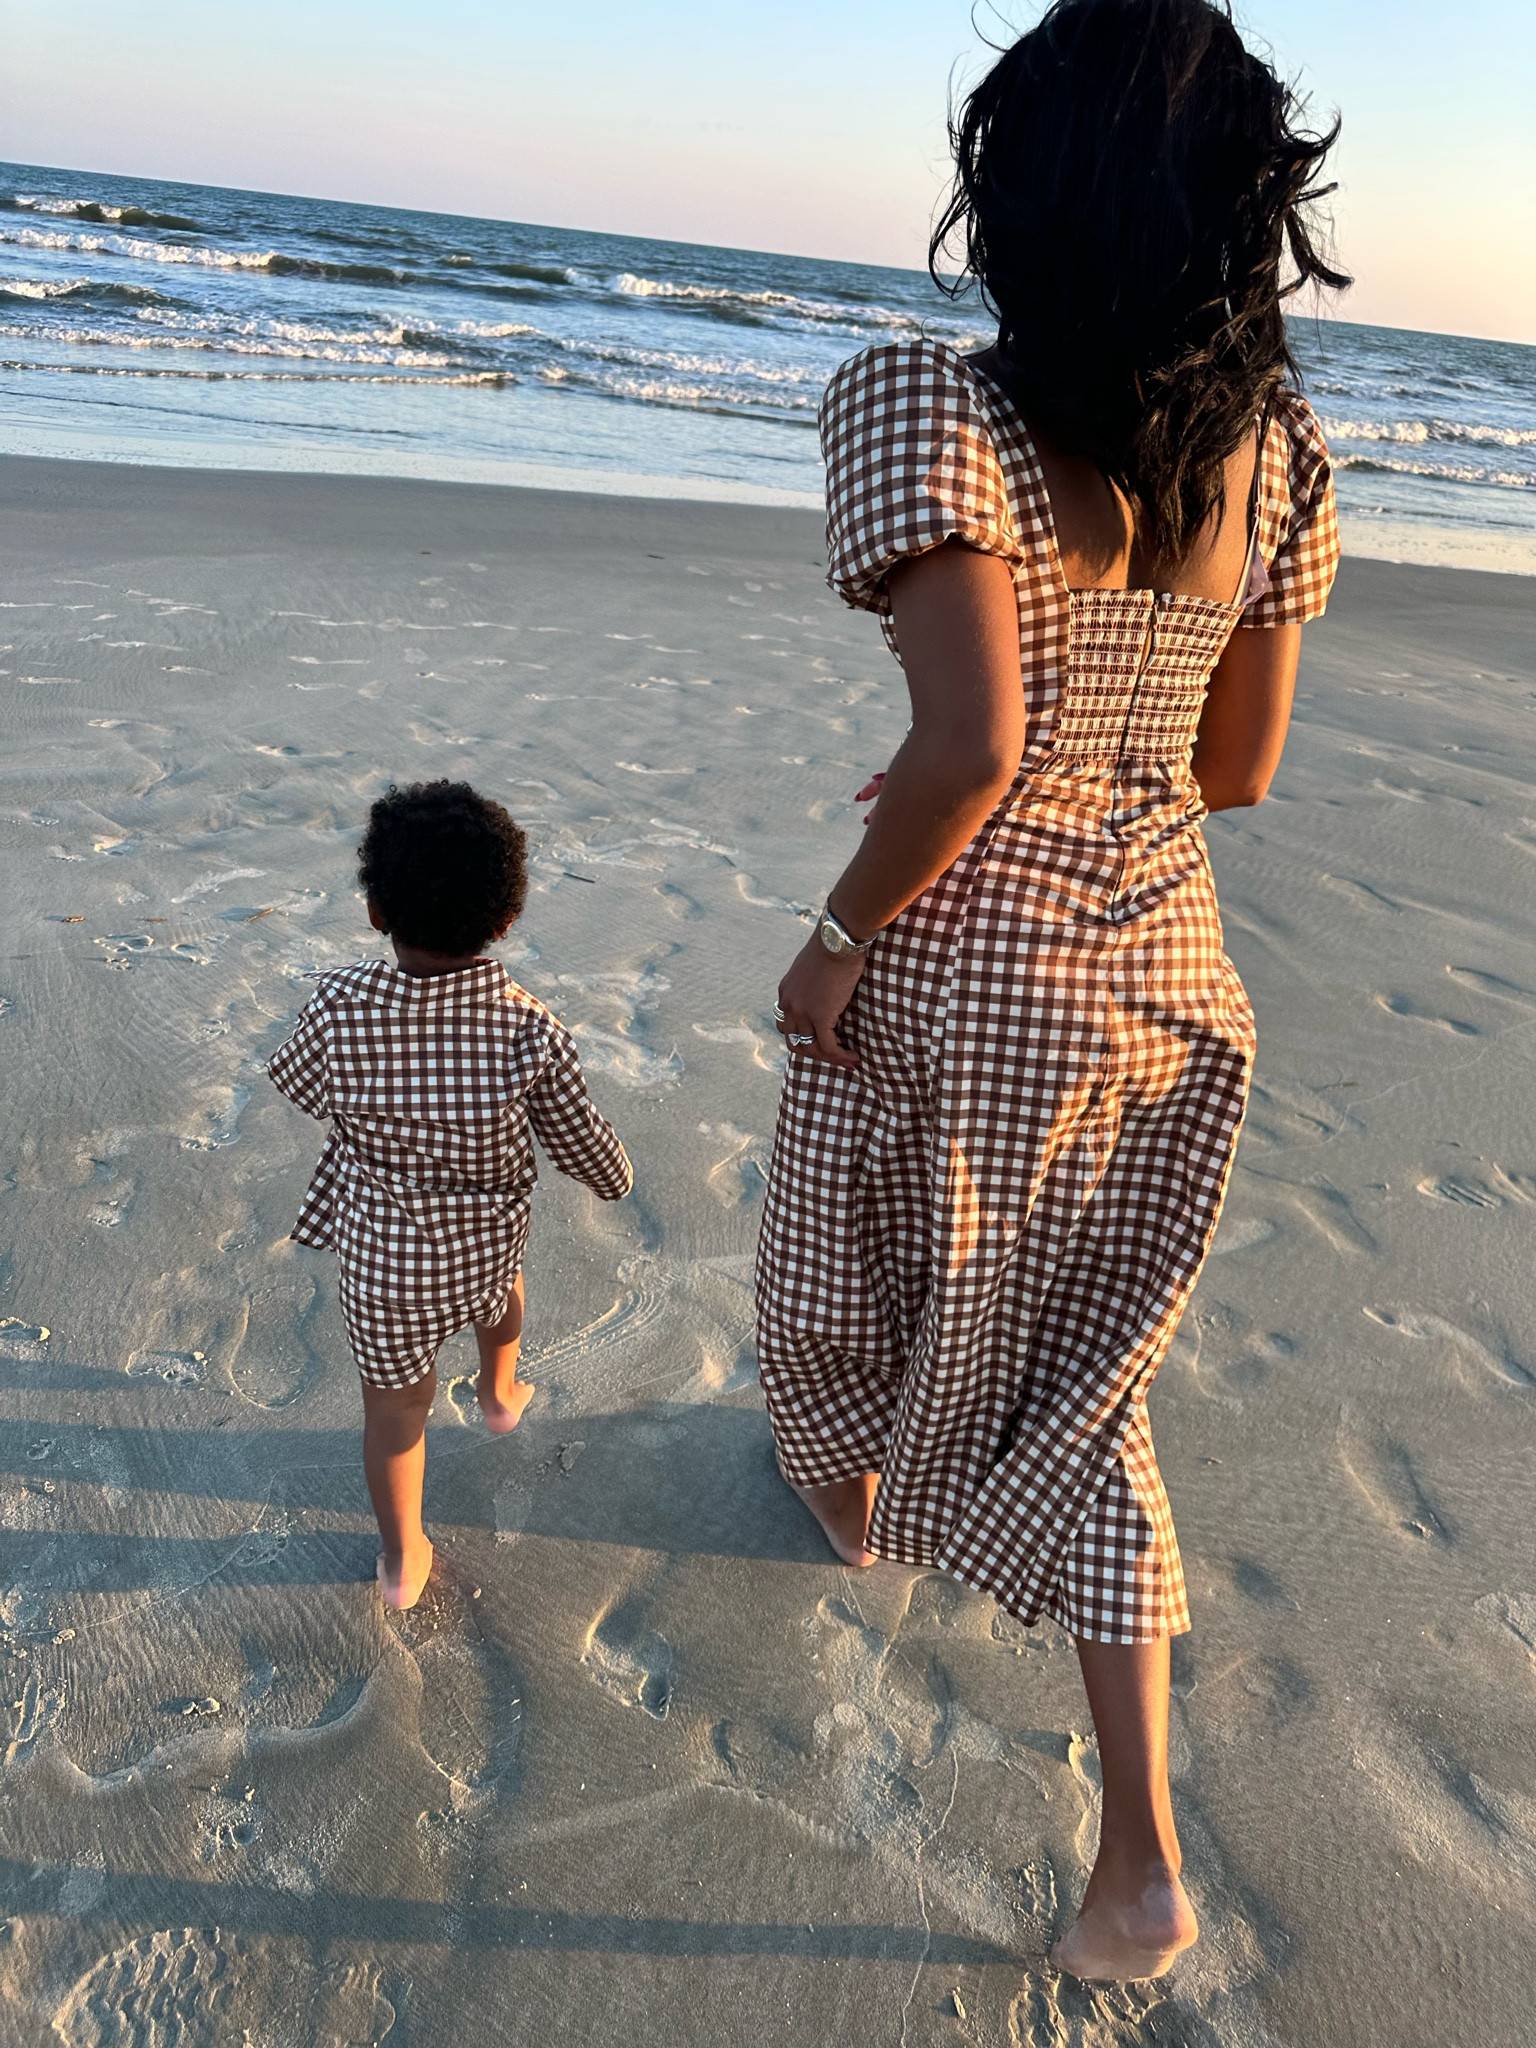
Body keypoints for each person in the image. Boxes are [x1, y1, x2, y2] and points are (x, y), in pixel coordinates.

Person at [756, 0, 1346, 1983]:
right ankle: (1137, 1858)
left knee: (836, 1242)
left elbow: (972, 747)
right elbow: (1234, 765)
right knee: (1095, 1382)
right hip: (1171, 985)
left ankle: (855, 1505)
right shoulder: (1274, 460)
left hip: (969, 968)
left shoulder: (935, 410)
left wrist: (834, 941)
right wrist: (1068, 752)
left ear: (1019, 195)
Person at [267, 780, 632, 1610]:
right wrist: (617, 1178)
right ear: (506, 920)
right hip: (484, 1239)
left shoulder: (336, 1006)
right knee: (501, 1297)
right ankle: (501, 1394)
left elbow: (299, 1083)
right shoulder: (526, 1026)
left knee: (395, 1414)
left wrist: (378, 1118)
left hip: (383, 1261)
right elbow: (577, 1140)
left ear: (375, 912)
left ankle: (401, 1562)